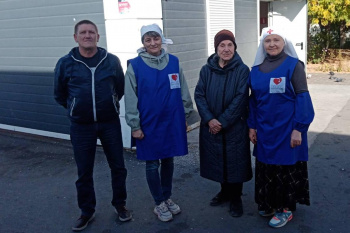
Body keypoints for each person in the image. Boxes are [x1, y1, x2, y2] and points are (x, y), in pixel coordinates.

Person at [54, 20, 132, 231]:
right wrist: (75, 108)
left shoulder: (111, 61)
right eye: (83, 32)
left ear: (98, 37)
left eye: (91, 32)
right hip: (81, 126)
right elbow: (60, 94)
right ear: (76, 37)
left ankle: (120, 205)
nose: (87, 35)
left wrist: (110, 104)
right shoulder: (65, 63)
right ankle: (86, 211)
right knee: (84, 171)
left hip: (109, 124)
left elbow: (120, 88)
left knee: (118, 167)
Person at [124, 23, 193, 222]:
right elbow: (130, 98)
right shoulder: (134, 66)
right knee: (153, 163)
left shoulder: (174, 62)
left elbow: (183, 90)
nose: (153, 43)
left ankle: (167, 196)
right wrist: (134, 125)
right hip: (149, 124)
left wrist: (185, 115)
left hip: (172, 122)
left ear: (161, 40)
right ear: (143, 43)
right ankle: (158, 202)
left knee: (169, 160)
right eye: (148, 40)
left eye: (156, 39)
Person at [248, 27, 314, 228]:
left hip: (287, 130)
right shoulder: (256, 69)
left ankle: (285, 209)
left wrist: (299, 129)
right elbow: (253, 101)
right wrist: (252, 126)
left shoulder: (294, 66)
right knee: (267, 168)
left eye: (276, 40)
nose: (272, 44)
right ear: (262, 44)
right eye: (268, 41)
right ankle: (269, 203)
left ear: (284, 42)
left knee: (285, 168)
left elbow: (303, 98)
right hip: (265, 130)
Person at [194, 29, 252, 218]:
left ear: (235, 47)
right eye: (222, 45)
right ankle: (224, 192)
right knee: (218, 160)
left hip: (234, 126)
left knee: (235, 162)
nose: (226, 49)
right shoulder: (206, 70)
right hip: (212, 125)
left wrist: (222, 121)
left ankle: (236, 197)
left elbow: (241, 97)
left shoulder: (242, 70)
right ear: (216, 48)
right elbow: (199, 95)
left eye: (230, 45)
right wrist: (210, 119)